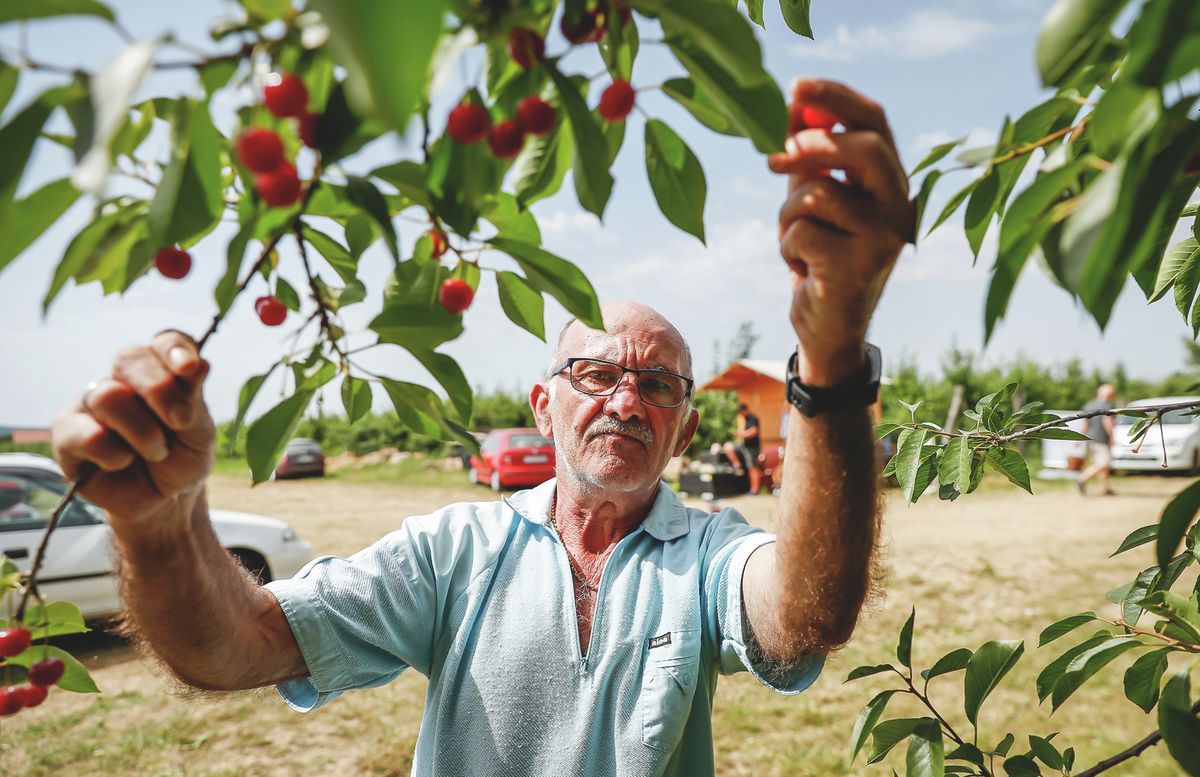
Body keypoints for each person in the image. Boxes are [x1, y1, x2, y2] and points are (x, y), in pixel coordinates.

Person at [49, 78, 912, 776]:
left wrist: (830, 358)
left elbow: (802, 614)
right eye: (596, 373)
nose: (625, 399)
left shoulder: (708, 555)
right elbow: (240, 646)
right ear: (544, 408)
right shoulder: (452, 551)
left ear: (684, 431)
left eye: (657, 385)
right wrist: (159, 528)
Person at [1077, 383, 1117, 496]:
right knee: (1104, 463)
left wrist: (1079, 437)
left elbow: (1085, 424)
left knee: (1101, 464)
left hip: (1090, 439)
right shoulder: (1108, 405)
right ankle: (1082, 478)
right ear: (1109, 394)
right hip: (1102, 439)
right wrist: (1112, 437)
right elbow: (1107, 422)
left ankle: (1106, 488)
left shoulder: (1089, 405)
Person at [722, 403, 763, 493]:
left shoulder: (753, 418)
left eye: (740, 412)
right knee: (728, 447)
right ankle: (737, 465)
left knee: (752, 467)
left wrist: (741, 434)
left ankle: (754, 490)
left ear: (745, 410)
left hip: (752, 447)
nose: (739, 414)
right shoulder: (742, 419)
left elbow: (754, 432)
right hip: (743, 445)